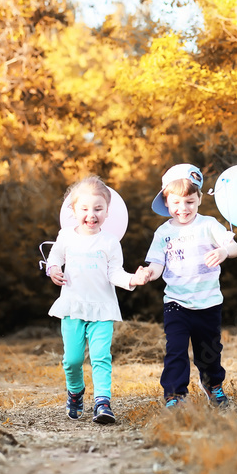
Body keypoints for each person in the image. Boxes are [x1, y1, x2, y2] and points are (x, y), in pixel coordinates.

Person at [134, 164, 237, 409]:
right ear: (166, 201)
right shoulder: (163, 233)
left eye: (190, 202)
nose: (183, 209)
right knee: (176, 350)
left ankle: (213, 385)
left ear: (200, 199)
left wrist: (224, 250)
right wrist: (148, 273)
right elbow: (157, 264)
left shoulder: (208, 224)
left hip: (208, 302)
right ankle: (175, 395)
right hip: (176, 303)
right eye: (177, 203)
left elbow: (234, 247)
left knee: (210, 351)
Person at [46, 175, 141, 424]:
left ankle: (102, 402)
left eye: (98, 208)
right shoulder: (66, 236)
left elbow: (115, 273)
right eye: (85, 209)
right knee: (72, 360)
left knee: (100, 357)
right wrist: (53, 270)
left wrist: (132, 279)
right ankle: (75, 392)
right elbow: (54, 258)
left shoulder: (110, 242)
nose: (92, 214)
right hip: (73, 308)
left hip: (102, 309)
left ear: (108, 211)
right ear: (73, 210)